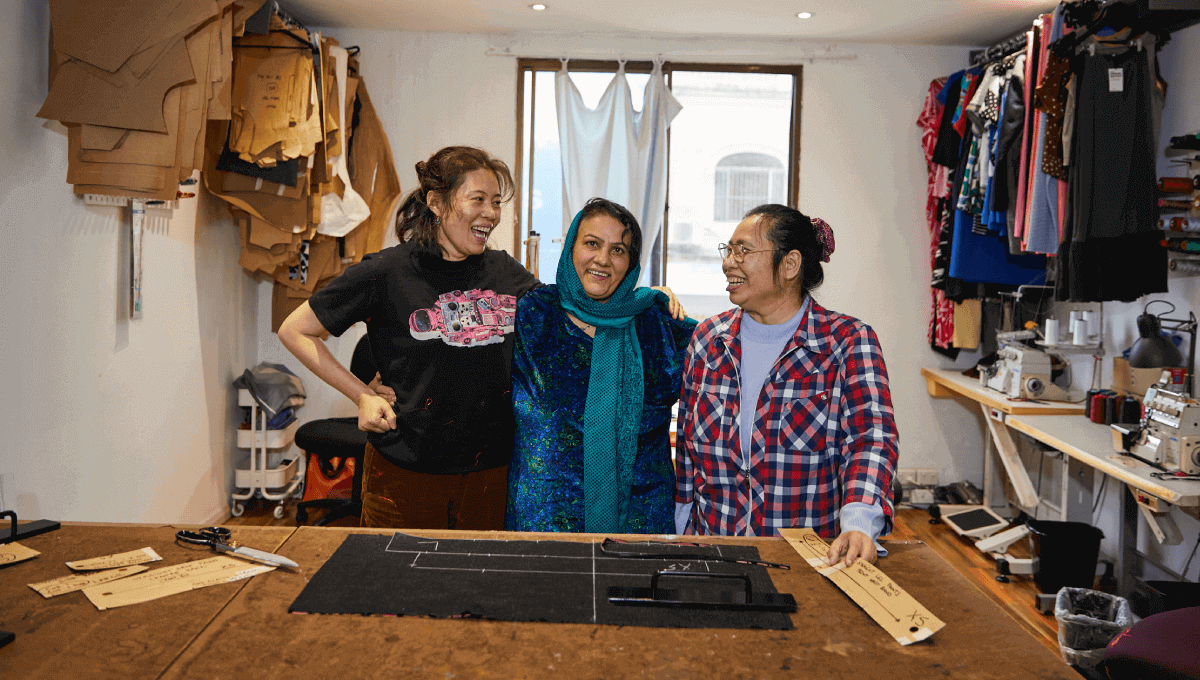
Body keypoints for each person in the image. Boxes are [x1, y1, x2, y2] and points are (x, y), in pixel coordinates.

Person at [278, 146, 540, 529]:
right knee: (397, 584)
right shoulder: (387, 272)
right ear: (436, 201)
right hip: (406, 474)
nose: (491, 213)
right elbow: (295, 330)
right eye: (478, 199)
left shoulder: (504, 271)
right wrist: (362, 395)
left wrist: (649, 300)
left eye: (497, 203)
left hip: (490, 476)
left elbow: (561, 318)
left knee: (479, 585)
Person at [674, 204, 898, 567]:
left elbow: (870, 439)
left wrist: (859, 523)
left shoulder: (846, 342)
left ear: (790, 265)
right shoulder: (708, 340)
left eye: (743, 250)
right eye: (728, 250)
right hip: (713, 556)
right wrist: (681, 530)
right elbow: (687, 446)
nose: (729, 262)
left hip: (808, 561)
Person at [506, 198, 697, 534]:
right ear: (571, 247)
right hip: (544, 521)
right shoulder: (532, 315)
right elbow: (460, 352)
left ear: (631, 263)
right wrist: (379, 375)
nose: (603, 260)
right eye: (592, 243)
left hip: (638, 523)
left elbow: (730, 348)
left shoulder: (656, 322)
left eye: (619, 250)